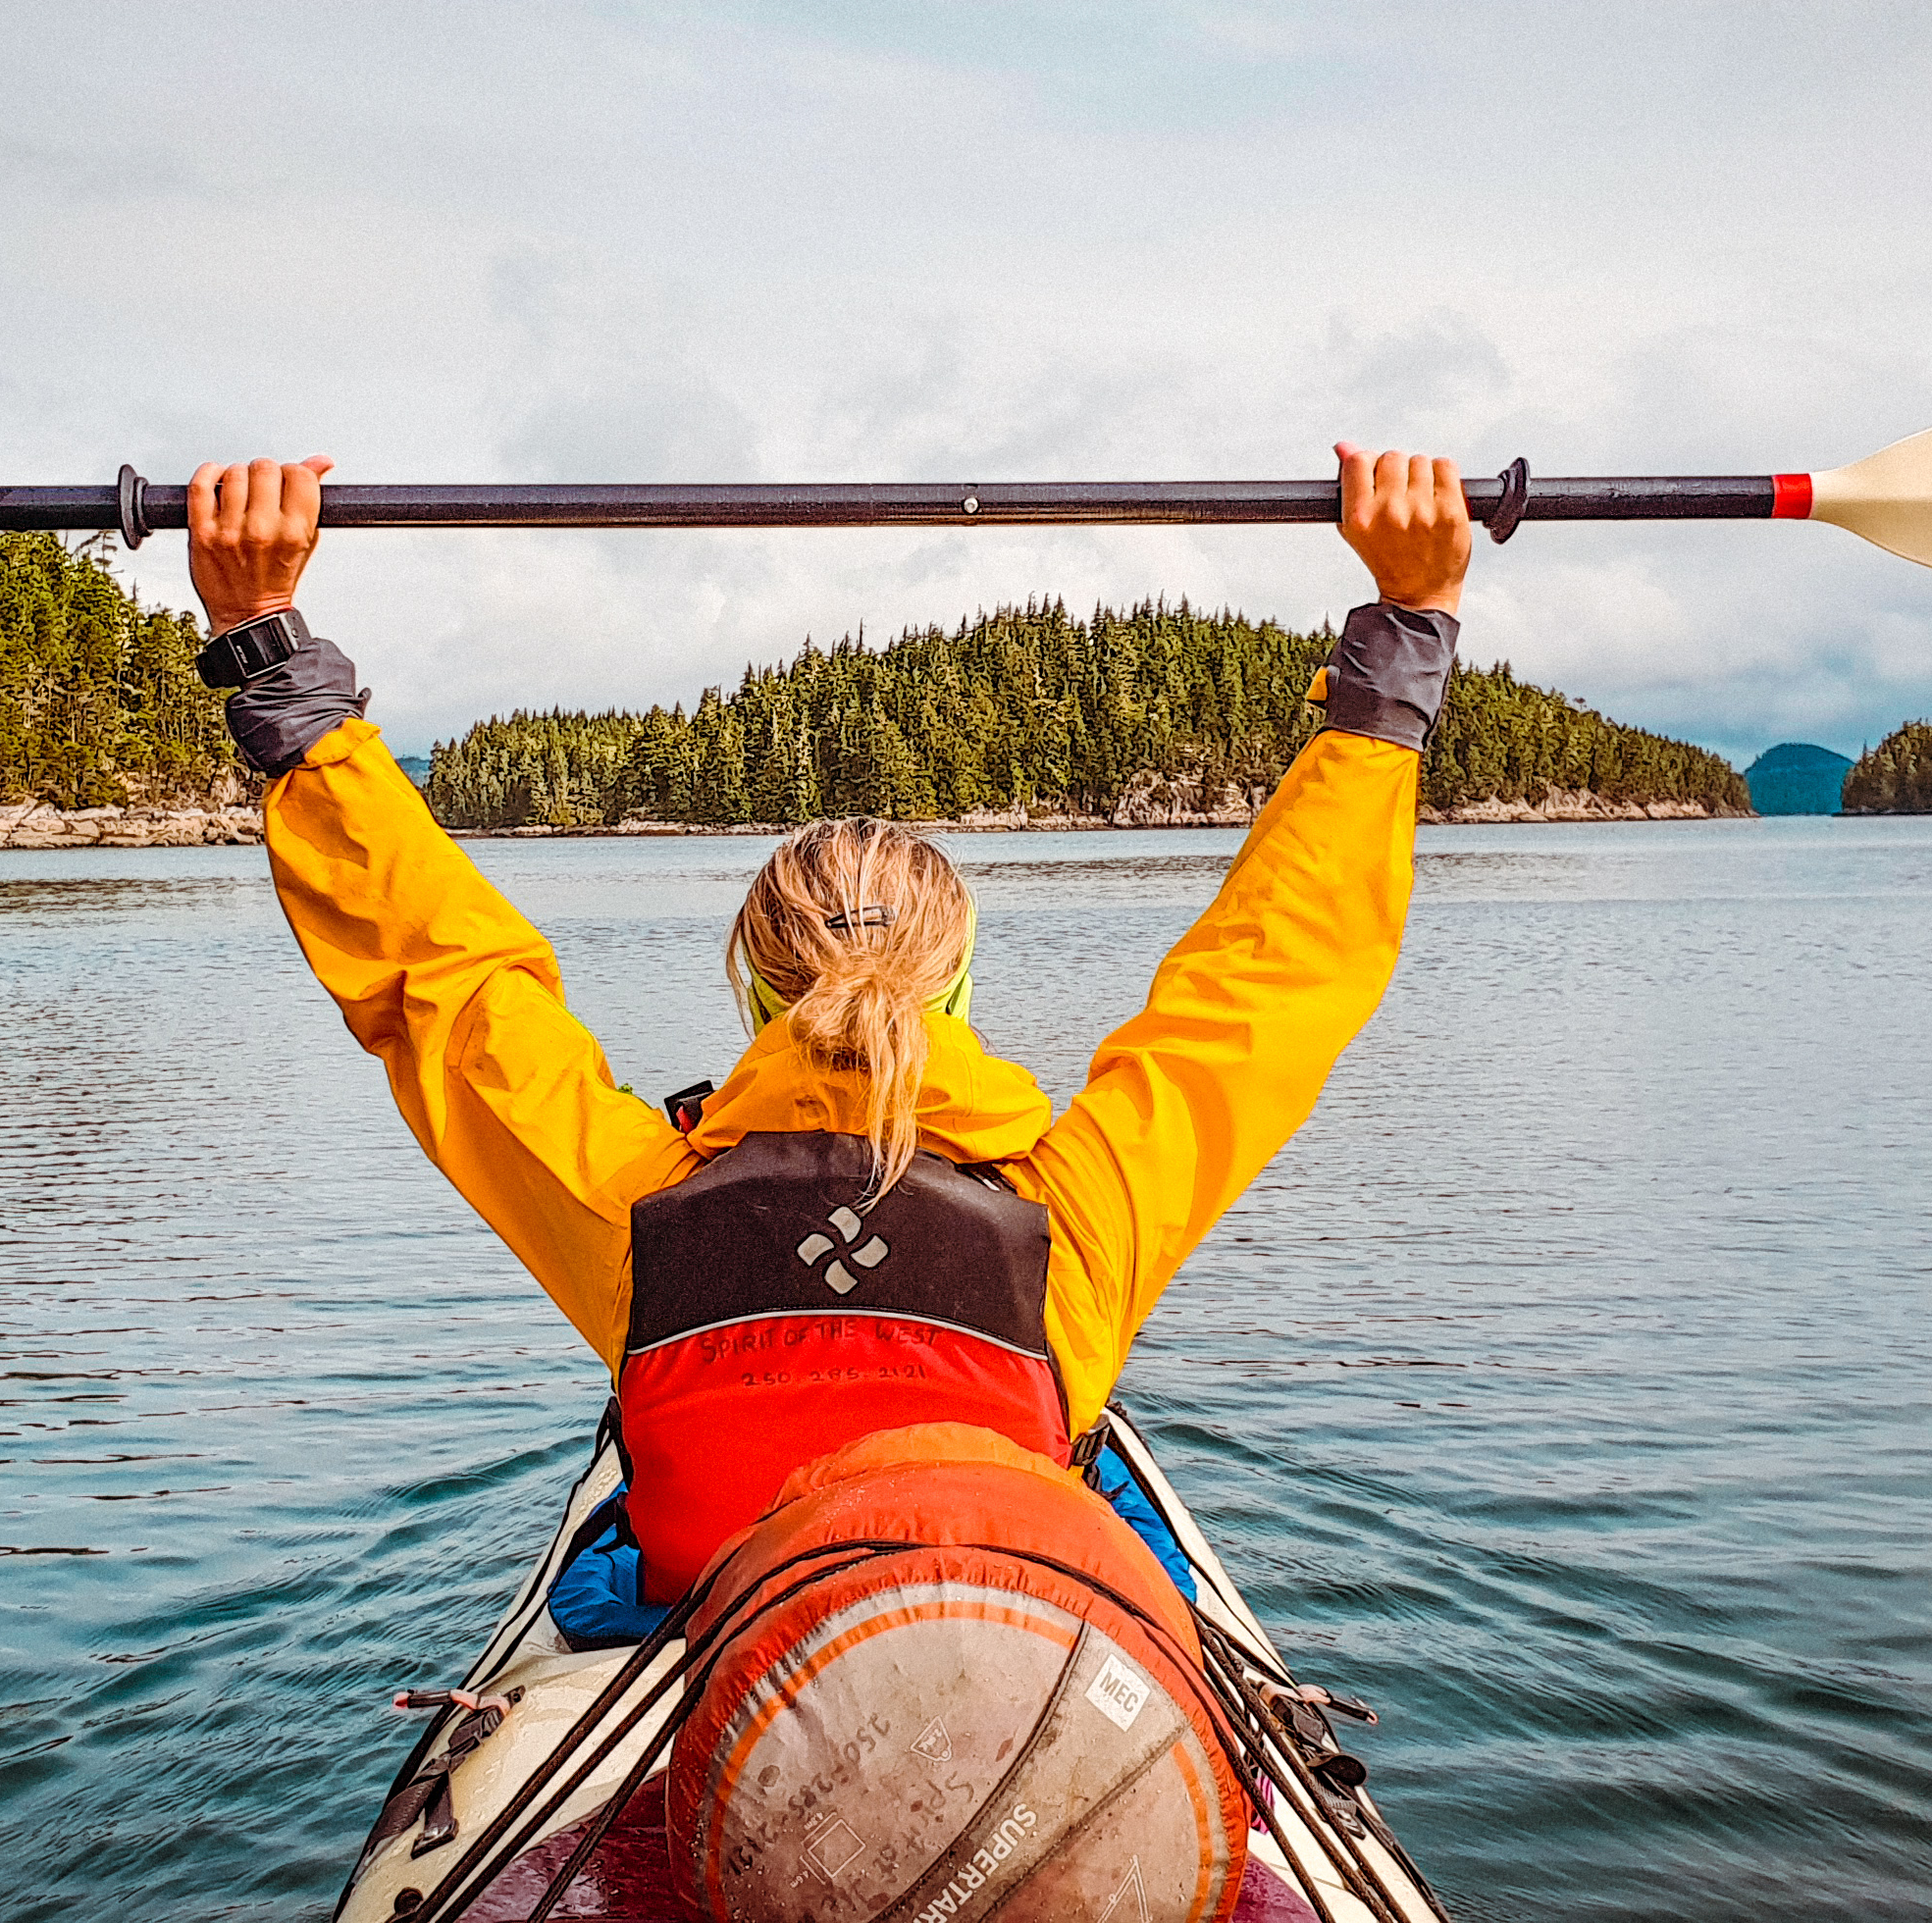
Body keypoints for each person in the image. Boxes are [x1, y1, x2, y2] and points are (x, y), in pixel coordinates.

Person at [195, 445, 1466, 1922]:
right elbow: (1277, 972)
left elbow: (440, 985)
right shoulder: (1078, 1216)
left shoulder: (636, 1215)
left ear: (752, 996)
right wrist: (1407, 634)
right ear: (965, 990)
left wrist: (278, 662)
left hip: (733, 1708)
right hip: (1022, 1647)